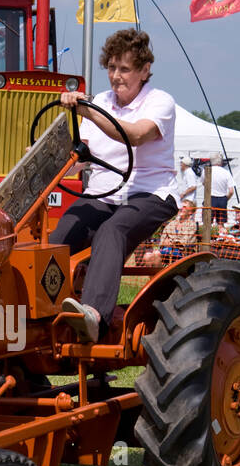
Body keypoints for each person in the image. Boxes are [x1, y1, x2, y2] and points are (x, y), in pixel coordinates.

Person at [49, 29, 178, 343]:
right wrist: (45, 160)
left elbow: (133, 134)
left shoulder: (159, 101)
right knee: (59, 237)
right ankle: (38, 315)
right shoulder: (102, 101)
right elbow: (80, 157)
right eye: (111, 68)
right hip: (104, 193)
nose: (116, 76)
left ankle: (94, 316)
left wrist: (88, 110)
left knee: (113, 230)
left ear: (144, 71)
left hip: (150, 193)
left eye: (125, 69)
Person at [207, 154, 238, 224]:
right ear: (221, 162)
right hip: (222, 199)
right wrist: (225, 199)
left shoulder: (206, 171)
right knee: (221, 224)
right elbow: (231, 191)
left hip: (209, 198)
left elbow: (204, 183)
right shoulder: (226, 173)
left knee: (207, 223)